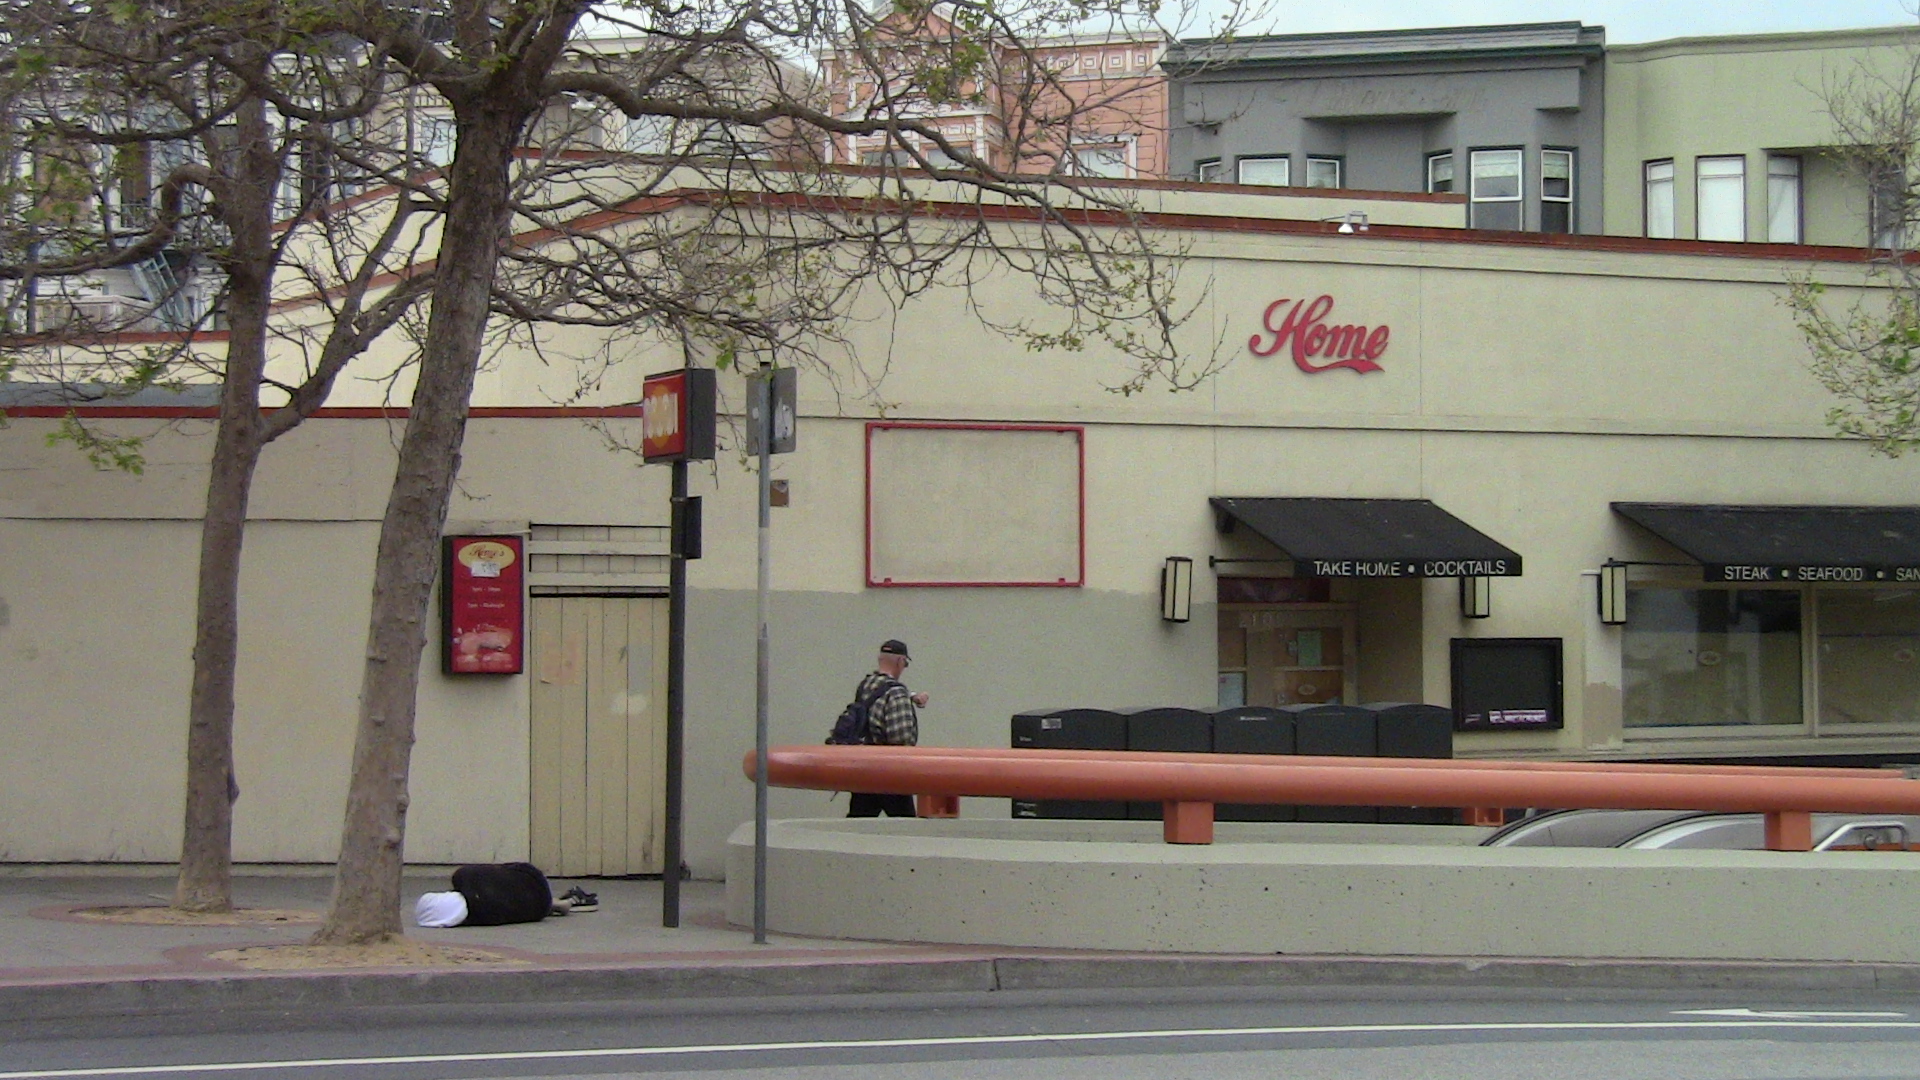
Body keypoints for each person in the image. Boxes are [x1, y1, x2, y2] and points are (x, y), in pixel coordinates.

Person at [848, 638, 929, 818]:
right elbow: (901, 738)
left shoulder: (865, 685)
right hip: (889, 773)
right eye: (905, 664)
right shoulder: (897, 693)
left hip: (863, 771)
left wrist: (912, 695)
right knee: (906, 829)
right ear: (901, 661)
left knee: (858, 825)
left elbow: (880, 694)